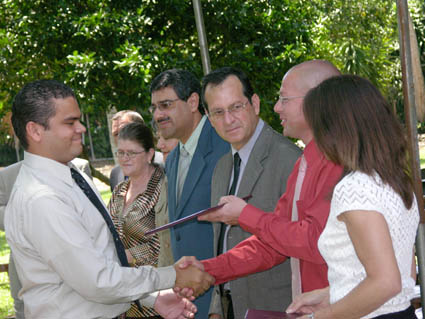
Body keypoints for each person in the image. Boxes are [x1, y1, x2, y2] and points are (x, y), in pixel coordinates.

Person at [5, 79, 213, 318]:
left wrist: (151, 299)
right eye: (70, 122)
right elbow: (97, 280)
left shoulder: (70, 175)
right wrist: (173, 275)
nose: (81, 128)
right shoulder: (41, 198)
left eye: (79, 120)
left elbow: (102, 257)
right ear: (35, 131)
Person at [182, 60, 343, 297]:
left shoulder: (336, 160)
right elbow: (272, 243)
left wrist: (245, 215)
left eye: (284, 99)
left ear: (318, 100)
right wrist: (208, 269)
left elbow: (313, 240)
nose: (277, 107)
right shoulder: (306, 161)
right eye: (218, 112)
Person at [286, 75, 419, 319]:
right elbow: (403, 275)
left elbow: (386, 283)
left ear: (334, 130)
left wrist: (319, 318)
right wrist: (330, 294)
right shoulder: (395, 180)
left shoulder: (355, 188)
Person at [201, 67, 301, 318]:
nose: (228, 120)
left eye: (236, 107)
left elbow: (297, 240)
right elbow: (222, 243)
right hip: (230, 306)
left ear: (254, 104)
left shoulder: (290, 160)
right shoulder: (222, 167)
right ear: (208, 117)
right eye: (218, 112)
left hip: (276, 307)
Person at [150, 69, 230, 318]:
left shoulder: (225, 145)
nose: (157, 115)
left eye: (166, 105)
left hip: (223, 300)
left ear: (193, 102)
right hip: (187, 301)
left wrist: (218, 304)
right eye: (154, 107)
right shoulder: (173, 159)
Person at [0, 157, 92, 319]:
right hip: (26, 262)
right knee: (22, 308)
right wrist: (29, 218)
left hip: (74, 254)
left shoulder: (80, 166)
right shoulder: (9, 174)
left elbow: (90, 210)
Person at [108, 122, 174, 319]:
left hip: (157, 297)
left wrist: (118, 256)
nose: (124, 159)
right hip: (124, 298)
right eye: (120, 153)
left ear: (149, 154)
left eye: (131, 153)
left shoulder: (163, 187)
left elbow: (161, 246)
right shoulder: (119, 190)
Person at [110, 110, 163, 191]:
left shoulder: (163, 163)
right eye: (116, 134)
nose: (120, 137)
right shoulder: (115, 174)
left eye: (125, 130)